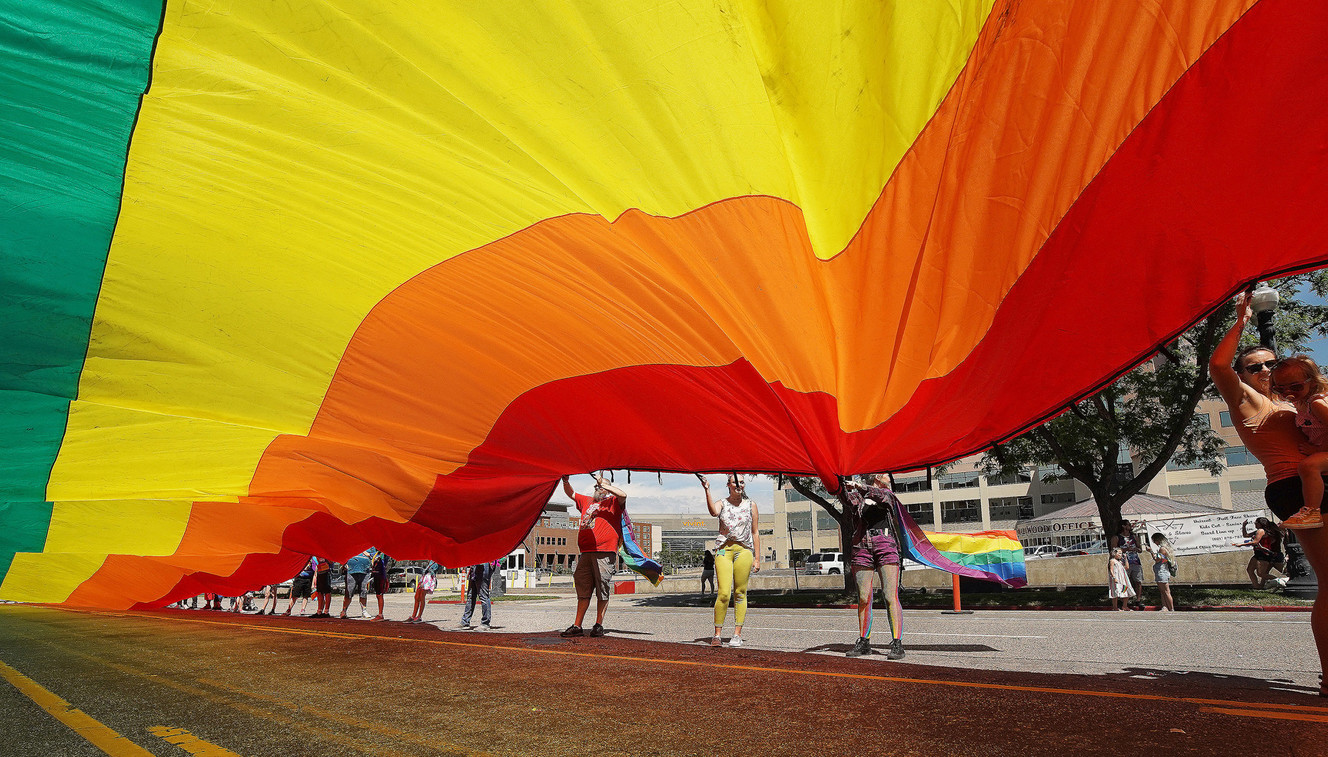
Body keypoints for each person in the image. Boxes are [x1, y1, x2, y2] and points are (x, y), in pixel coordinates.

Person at [1210, 290, 1328, 694]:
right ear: (1243, 375)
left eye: (1269, 363)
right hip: (1293, 486)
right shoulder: (1244, 399)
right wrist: (1242, 316)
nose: (1264, 369)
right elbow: (1217, 364)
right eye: (1254, 365)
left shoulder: (1293, 400)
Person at [840, 475, 906, 659]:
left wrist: (859, 486)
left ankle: (897, 643)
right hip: (861, 546)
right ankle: (864, 641)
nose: (885, 476)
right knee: (863, 597)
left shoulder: (888, 495)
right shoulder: (859, 498)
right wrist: (836, 482)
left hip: (886, 545)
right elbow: (845, 497)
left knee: (889, 595)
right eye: (883, 473)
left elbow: (880, 495)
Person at [560, 473, 629, 638]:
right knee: (583, 589)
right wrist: (565, 481)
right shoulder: (586, 501)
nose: (598, 489)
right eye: (597, 487)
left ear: (607, 489)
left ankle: (598, 624)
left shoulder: (613, 502)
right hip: (585, 552)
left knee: (602, 589)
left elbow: (624, 495)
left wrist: (604, 484)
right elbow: (571, 494)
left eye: (602, 487)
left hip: (604, 552)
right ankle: (577, 625)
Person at [698, 474, 761, 648]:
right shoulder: (722, 503)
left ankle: (736, 634)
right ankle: (717, 634)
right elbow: (713, 512)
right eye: (735, 482)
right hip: (724, 549)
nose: (739, 485)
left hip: (744, 550)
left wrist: (757, 558)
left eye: (741, 482)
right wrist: (707, 489)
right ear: (728, 485)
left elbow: (755, 532)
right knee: (724, 593)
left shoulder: (751, 505)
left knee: (740, 592)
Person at [1272, 355, 1328, 529]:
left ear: (1312, 382)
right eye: (1280, 389)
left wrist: (1318, 450)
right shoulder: (1301, 404)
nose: (1288, 393)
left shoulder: (1316, 403)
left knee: (1308, 466)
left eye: (1296, 386)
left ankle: (1311, 511)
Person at [1232, 517, 1289, 589]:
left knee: (1261, 573)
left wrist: (1240, 545)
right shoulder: (1259, 531)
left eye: (1256, 522)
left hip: (1264, 554)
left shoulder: (1261, 531)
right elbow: (1245, 535)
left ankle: (1278, 581)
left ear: (1260, 523)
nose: (1255, 524)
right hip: (1259, 553)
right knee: (1250, 570)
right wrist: (1244, 526)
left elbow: (1255, 542)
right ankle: (1257, 586)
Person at [1109, 520, 1146, 609]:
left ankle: (1138, 599)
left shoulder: (1134, 537)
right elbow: (1113, 550)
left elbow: (1140, 549)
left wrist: (1137, 549)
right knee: (1124, 582)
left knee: (1138, 581)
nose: (1130, 526)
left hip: (1135, 561)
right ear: (1123, 526)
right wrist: (1126, 549)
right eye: (1128, 525)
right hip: (1122, 563)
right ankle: (1124, 600)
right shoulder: (1117, 538)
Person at [459, 559, 498, 630]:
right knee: (471, 595)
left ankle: (485, 623)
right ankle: (465, 621)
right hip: (475, 564)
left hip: (484, 564)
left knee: (483, 595)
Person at [341, 547, 374, 619]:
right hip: (351, 570)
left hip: (365, 571)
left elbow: (376, 555)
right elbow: (343, 553)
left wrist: (369, 554)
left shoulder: (371, 545)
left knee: (363, 591)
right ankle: (344, 611)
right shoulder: (352, 543)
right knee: (349, 592)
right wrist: (344, 563)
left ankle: (364, 611)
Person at [1149, 533, 1176, 612]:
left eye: (1155, 541)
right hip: (1162, 570)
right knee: (1162, 591)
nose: (1155, 543)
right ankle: (1165, 607)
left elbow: (1157, 559)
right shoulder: (1166, 548)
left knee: (1166, 591)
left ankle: (1171, 608)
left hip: (1162, 571)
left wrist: (1151, 551)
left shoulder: (1162, 549)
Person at [369, 548, 391, 621]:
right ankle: (380, 614)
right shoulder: (376, 553)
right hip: (376, 575)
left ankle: (380, 614)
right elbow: (368, 555)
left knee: (380, 594)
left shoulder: (384, 554)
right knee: (378, 595)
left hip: (381, 575)